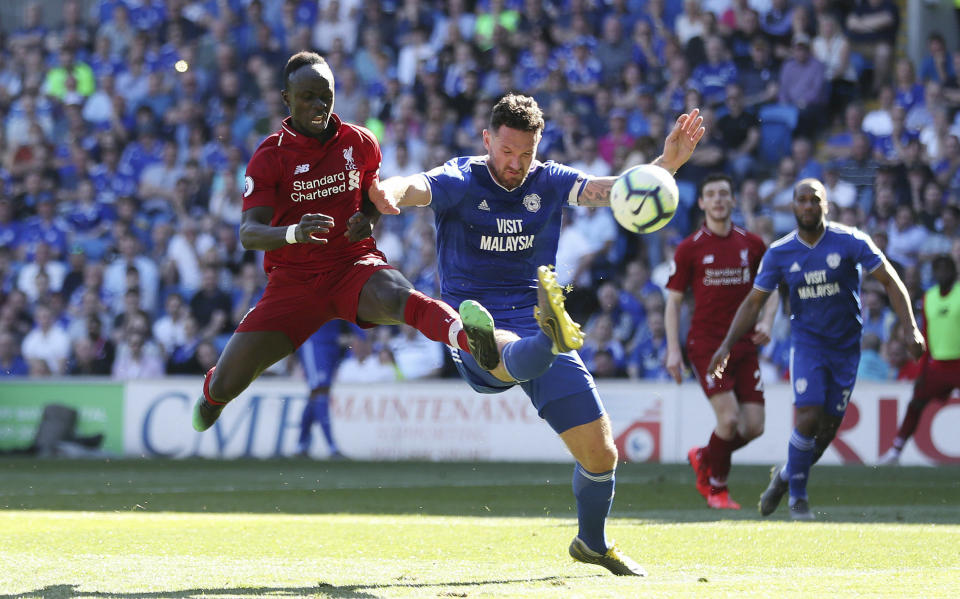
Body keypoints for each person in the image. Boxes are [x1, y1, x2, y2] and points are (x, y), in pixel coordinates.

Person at [368, 94, 704, 575]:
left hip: (536, 314)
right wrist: (392, 193)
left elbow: (612, 191)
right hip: (474, 320)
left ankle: (591, 543)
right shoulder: (462, 178)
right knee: (500, 348)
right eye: (507, 151)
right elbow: (417, 185)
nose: (516, 163)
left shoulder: (549, 180)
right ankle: (546, 338)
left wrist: (667, 163)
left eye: (526, 153)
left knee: (602, 453)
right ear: (487, 140)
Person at [190, 52, 501, 432]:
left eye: (326, 95)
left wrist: (366, 220)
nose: (319, 105)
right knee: (226, 383)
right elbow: (248, 234)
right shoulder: (269, 156)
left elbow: (369, 200)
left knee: (402, 298)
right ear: (287, 99)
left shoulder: (361, 142)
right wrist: (294, 233)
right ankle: (211, 395)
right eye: (308, 97)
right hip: (294, 282)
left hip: (352, 266)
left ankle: (470, 340)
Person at [707, 178, 924, 520]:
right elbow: (753, 303)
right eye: (801, 200)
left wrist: (910, 327)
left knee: (825, 432)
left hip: (846, 348)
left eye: (815, 200)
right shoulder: (779, 252)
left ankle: (782, 477)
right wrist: (726, 346)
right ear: (792, 206)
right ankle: (798, 497)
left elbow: (890, 281)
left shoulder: (851, 241)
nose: (808, 206)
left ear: (826, 205)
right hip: (807, 344)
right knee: (807, 416)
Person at [665, 173, 779, 510]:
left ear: (732, 201)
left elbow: (771, 290)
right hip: (707, 346)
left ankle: (705, 455)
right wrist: (673, 350)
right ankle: (717, 488)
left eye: (723, 194)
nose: (717, 199)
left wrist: (768, 321)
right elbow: (673, 301)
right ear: (701, 203)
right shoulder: (690, 248)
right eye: (710, 194)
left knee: (754, 426)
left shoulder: (753, 245)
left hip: (743, 346)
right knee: (728, 420)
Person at [879, 255, 960, 464]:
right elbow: (926, 332)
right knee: (915, 403)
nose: (942, 274)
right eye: (938, 270)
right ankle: (896, 450)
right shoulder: (929, 297)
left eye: (946, 270)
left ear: (954, 273)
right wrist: (923, 368)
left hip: (958, 363)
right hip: (937, 365)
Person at [296, 320, 346, 458]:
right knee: (320, 390)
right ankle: (332, 447)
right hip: (314, 341)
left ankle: (301, 446)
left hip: (331, 342)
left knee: (317, 394)